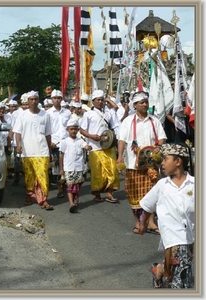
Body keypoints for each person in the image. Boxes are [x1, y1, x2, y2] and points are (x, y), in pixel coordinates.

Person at [139, 143, 194, 289]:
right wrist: (142, 223)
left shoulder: (195, 184)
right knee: (182, 276)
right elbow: (147, 206)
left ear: (178, 161)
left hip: (191, 236)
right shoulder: (162, 185)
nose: (162, 163)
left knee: (178, 264)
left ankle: (160, 270)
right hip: (172, 237)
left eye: (165, 159)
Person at [117, 90, 167, 234]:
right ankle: (138, 223)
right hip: (133, 164)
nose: (145, 105)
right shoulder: (128, 121)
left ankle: (151, 222)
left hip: (151, 164)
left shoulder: (154, 120)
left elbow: (162, 137)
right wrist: (120, 156)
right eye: (141, 102)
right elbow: (122, 140)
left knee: (152, 194)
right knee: (134, 193)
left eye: (146, 102)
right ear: (135, 105)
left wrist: (159, 147)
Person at [13, 90, 54, 210]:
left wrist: (49, 150)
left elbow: (48, 134)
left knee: (43, 176)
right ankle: (29, 195)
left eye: (35, 99)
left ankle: (43, 200)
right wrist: (19, 145)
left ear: (38, 100)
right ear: (28, 101)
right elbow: (18, 132)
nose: (33, 101)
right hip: (27, 151)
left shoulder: (45, 115)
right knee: (29, 177)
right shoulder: (22, 115)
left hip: (42, 150)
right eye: (31, 99)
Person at [79, 89, 120, 203]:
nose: (101, 102)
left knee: (111, 169)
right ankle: (97, 194)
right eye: (98, 100)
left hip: (108, 146)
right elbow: (82, 130)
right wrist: (91, 136)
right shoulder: (88, 114)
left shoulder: (108, 113)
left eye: (102, 100)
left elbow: (113, 127)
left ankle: (109, 193)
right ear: (93, 101)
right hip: (94, 147)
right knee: (97, 172)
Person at [59, 119, 92, 213]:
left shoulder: (80, 141)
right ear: (67, 130)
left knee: (76, 186)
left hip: (79, 167)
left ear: (78, 130)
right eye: (71, 129)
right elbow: (61, 156)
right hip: (68, 168)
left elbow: (85, 146)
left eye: (75, 129)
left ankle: (74, 200)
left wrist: (88, 147)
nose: (73, 131)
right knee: (70, 186)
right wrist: (61, 169)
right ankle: (71, 204)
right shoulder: (64, 142)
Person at [46, 89, 72, 198]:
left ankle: (67, 186)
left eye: (58, 98)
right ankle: (59, 188)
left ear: (62, 99)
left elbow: (71, 126)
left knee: (68, 165)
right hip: (55, 143)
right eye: (54, 98)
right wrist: (50, 142)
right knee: (57, 166)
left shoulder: (67, 112)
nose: (56, 100)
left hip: (67, 142)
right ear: (51, 100)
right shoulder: (48, 113)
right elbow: (46, 129)